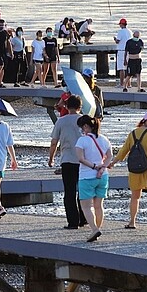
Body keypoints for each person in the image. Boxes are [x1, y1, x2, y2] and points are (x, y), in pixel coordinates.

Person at [109, 111, 147, 230]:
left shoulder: (133, 133)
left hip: (135, 168)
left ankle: (132, 221)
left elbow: (123, 151)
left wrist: (113, 163)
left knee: (135, 196)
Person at [49, 95, 87, 229]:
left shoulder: (61, 121)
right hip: (84, 162)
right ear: (80, 107)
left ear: (66, 106)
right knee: (83, 191)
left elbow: (54, 142)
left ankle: (72, 222)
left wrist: (51, 158)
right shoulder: (85, 120)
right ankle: (84, 218)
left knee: (69, 192)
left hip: (67, 161)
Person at [75, 115, 112, 242]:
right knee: (98, 205)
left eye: (81, 127)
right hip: (103, 176)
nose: (81, 130)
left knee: (85, 206)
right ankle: (98, 228)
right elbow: (109, 156)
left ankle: (95, 229)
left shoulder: (82, 140)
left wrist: (95, 166)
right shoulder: (104, 139)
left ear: (86, 126)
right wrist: (102, 168)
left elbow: (80, 158)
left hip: (86, 176)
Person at [115, 18, 132, 88]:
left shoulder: (120, 32)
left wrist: (115, 39)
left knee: (121, 68)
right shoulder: (129, 31)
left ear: (122, 24)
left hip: (121, 50)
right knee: (127, 68)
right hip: (128, 51)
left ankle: (122, 83)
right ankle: (129, 84)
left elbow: (118, 41)